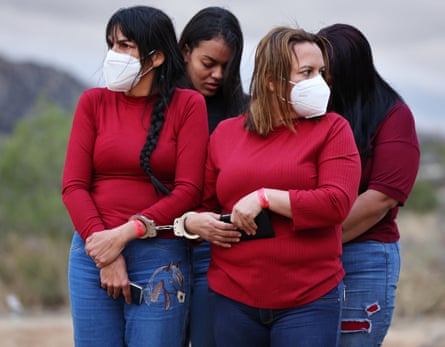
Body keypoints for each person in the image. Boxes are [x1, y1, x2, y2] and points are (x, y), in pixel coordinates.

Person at [181, 26, 362, 347]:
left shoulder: (334, 129)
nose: (318, 82)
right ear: (271, 80)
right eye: (307, 72)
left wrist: (266, 198)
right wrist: (193, 223)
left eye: (322, 72)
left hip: (309, 300)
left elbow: (337, 203)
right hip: (231, 298)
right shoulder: (224, 133)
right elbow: (202, 204)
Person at [61, 6, 209, 347]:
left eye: (125, 45)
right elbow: (73, 186)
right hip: (92, 252)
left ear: (155, 58)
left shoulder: (188, 106)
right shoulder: (93, 103)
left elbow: (189, 190)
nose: (115, 54)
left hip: (159, 254)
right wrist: (106, 251)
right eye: (111, 44)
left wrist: (127, 233)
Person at [317, 23, 420, 346]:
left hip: (364, 255)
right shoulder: (318, 111)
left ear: (351, 71)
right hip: (311, 257)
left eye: (327, 72)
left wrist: (318, 240)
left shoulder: (393, 115)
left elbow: (380, 199)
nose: (321, 80)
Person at [177, 7, 248, 347]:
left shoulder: (245, 112)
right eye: (208, 64)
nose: (218, 74)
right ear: (185, 50)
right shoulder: (160, 104)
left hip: (217, 249)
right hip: (161, 242)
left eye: (227, 66)